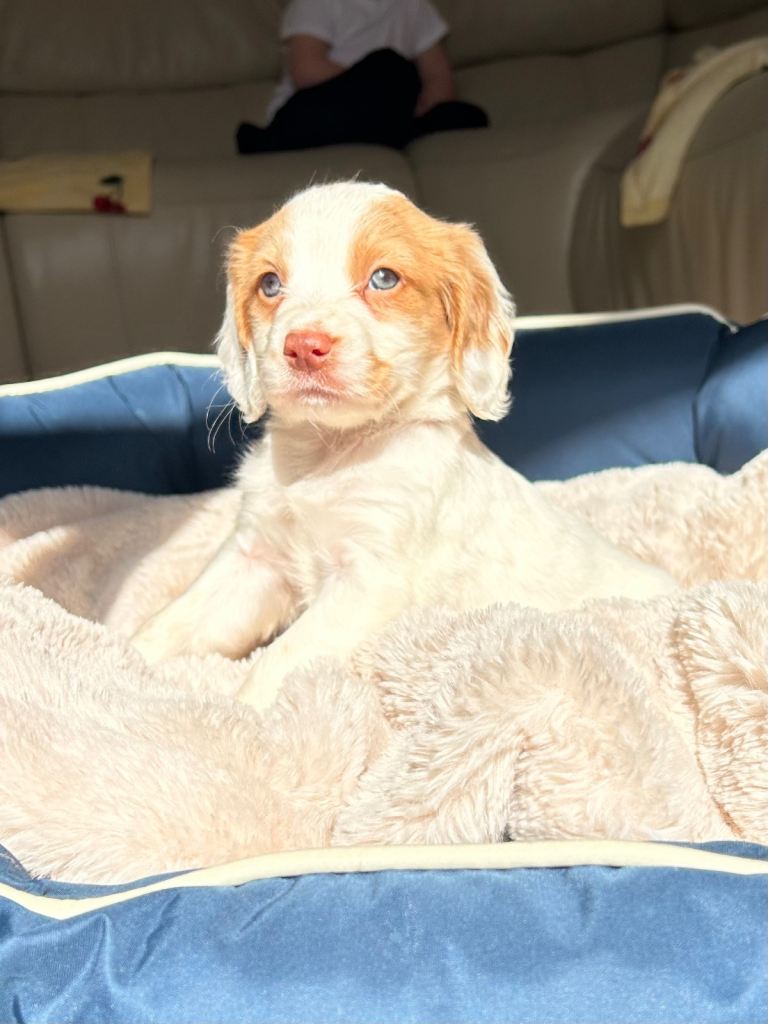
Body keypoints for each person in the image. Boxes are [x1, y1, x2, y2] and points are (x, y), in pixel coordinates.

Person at [236, 0, 488, 154]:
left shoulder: (413, 5)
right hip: (313, 112)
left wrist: (426, 102)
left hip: (382, 118)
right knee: (392, 67)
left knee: (466, 115)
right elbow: (306, 69)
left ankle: (395, 129)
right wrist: (377, 86)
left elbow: (437, 74)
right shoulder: (316, 2)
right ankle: (268, 142)